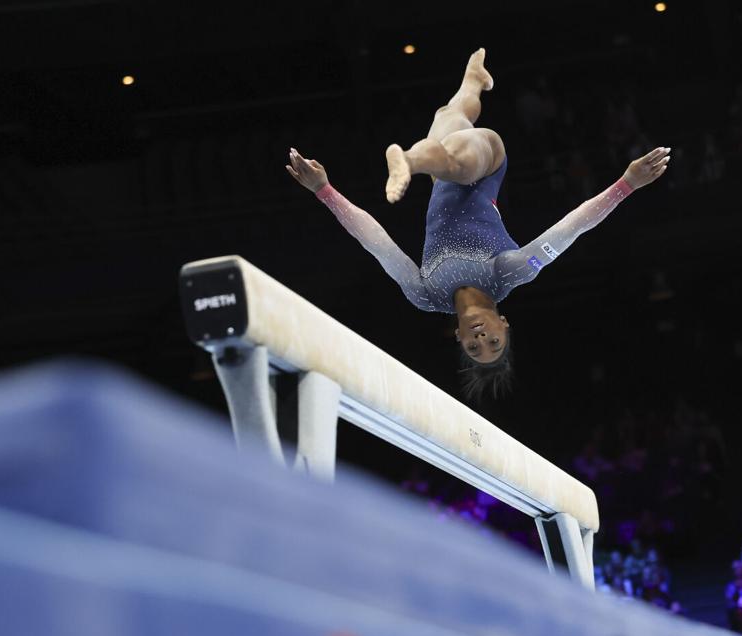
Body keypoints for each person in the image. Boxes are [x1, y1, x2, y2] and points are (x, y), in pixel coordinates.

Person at [285, 48, 671, 401]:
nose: (481, 339)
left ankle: (472, 82)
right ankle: (407, 161)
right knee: (457, 162)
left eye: (473, 348)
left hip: (442, 171)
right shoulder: (510, 273)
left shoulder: (425, 295)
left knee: (450, 116)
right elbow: (572, 228)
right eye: (494, 343)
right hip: (486, 164)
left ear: (458, 337)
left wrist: (325, 191)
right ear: (505, 325)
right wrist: (626, 185)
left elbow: (376, 243)